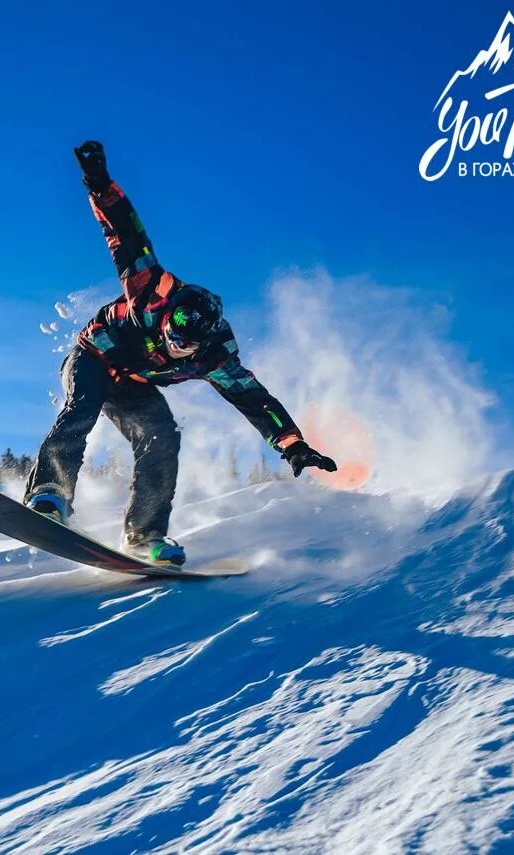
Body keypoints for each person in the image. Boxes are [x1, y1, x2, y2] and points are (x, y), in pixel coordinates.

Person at [24, 141, 337, 566]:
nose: (178, 347)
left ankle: (144, 534)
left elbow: (254, 398)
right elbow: (126, 234)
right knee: (81, 408)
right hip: (95, 357)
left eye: (189, 344)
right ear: (170, 317)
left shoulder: (215, 356)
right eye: (176, 335)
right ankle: (49, 495)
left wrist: (292, 444)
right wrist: (99, 185)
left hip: (134, 386)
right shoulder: (151, 290)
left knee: (163, 439)